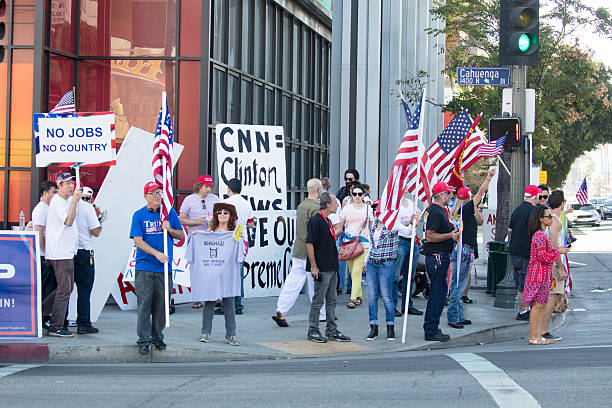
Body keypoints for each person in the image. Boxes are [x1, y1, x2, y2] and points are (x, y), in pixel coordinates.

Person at [130, 181, 184, 356]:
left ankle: (157, 337)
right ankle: (144, 340)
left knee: (161, 305)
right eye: (153, 193)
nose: (157, 196)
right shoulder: (139, 215)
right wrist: (155, 253)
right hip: (145, 266)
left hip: (164, 268)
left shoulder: (169, 214)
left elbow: (180, 234)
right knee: (145, 304)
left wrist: (169, 229)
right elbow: (137, 240)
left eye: (159, 193)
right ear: (146, 196)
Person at [186, 202, 244, 346]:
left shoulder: (235, 232)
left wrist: (241, 239)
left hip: (228, 272)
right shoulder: (209, 232)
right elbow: (197, 245)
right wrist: (196, 235)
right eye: (219, 212)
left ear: (231, 216)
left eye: (225, 213)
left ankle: (231, 334)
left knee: (229, 303)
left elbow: (241, 253)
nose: (222, 215)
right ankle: (205, 332)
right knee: (209, 302)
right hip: (211, 272)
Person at [447, 168, 496, 329]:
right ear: (467, 198)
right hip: (463, 249)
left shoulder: (460, 211)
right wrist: (488, 178)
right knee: (457, 285)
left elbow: (480, 219)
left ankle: (459, 314)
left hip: (462, 249)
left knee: (458, 283)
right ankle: (453, 316)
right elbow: (480, 194)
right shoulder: (465, 209)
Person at [273, 178, 325, 327]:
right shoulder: (315, 208)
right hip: (311, 251)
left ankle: (281, 309)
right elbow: (317, 232)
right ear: (319, 190)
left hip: (299, 248)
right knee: (317, 283)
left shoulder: (302, 206)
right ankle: (322, 313)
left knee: (293, 281)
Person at [306, 192, 350, 343]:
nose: (337, 205)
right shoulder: (316, 221)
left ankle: (331, 329)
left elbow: (327, 240)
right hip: (322, 267)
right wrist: (313, 266)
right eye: (335, 203)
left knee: (332, 300)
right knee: (318, 300)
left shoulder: (328, 221)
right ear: (328, 205)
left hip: (331, 266)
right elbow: (309, 243)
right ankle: (313, 329)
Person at [523, 205, 570, 345]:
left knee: (541, 306)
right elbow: (543, 256)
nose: (551, 219)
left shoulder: (543, 235)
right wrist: (559, 251)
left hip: (544, 275)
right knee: (537, 307)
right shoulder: (539, 236)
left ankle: (538, 336)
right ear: (541, 219)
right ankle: (534, 337)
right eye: (548, 216)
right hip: (537, 276)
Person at [42, 172, 81, 337]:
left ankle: (41, 313)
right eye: (67, 184)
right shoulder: (58, 201)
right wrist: (75, 201)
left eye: (72, 183)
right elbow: (68, 221)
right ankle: (55, 325)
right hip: (60, 253)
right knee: (65, 289)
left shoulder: (63, 201)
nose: (71, 186)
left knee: (66, 288)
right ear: (59, 186)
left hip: (66, 251)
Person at [422, 181, 459, 342]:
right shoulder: (436, 212)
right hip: (437, 256)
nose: (450, 196)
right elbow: (429, 236)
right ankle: (431, 329)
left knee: (440, 292)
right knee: (437, 294)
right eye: (448, 193)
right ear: (440, 195)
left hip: (439, 255)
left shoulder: (437, 211)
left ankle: (432, 326)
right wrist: (450, 236)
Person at [179, 174, 220, 308]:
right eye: (206, 186)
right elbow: (181, 219)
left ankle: (214, 296)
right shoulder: (189, 200)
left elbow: (223, 215)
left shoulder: (215, 199)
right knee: (196, 269)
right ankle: (197, 298)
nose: (209, 189)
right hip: (195, 238)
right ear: (199, 186)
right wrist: (195, 222)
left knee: (213, 267)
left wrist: (214, 223)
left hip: (212, 237)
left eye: (210, 187)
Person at [216, 178, 254, 315]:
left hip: (228, 240)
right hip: (242, 241)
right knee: (238, 273)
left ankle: (226, 306)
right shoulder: (247, 204)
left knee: (226, 274)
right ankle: (238, 304)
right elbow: (250, 224)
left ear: (228, 189)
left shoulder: (225, 203)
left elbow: (218, 222)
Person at [365, 200, 399, 341]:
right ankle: (373, 326)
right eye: (375, 209)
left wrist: (413, 220)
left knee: (386, 297)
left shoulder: (392, 225)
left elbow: (406, 228)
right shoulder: (373, 225)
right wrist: (366, 261)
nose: (376, 211)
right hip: (373, 262)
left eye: (378, 209)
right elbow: (372, 244)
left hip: (386, 263)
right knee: (372, 297)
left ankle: (390, 327)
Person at [338, 183, 373, 309]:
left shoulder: (368, 209)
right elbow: (341, 225)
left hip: (363, 243)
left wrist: (373, 244)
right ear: (351, 195)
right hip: (348, 244)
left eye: (360, 194)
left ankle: (352, 298)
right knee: (352, 272)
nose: (357, 196)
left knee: (357, 272)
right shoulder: (346, 208)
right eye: (355, 194)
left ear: (364, 195)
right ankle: (359, 296)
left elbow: (371, 228)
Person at [540, 190, 569, 342]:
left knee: (551, 296)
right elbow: (553, 244)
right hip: (552, 264)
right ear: (562, 203)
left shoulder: (550, 217)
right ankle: (543, 331)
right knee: (553, 296)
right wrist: (560, 267)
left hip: (548, 261)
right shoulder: (555, 221)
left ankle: (541, 330)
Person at [509, 185, 541, 321]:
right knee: (525, 283)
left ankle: (524, 309)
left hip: (515, 250)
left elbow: (510, 229)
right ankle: (523, 311)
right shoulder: (533, 212)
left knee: (520, 282)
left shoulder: (517, 210)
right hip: (526, 251)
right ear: (535, 196)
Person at [73, 186, 102, 334]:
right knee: (84, 289)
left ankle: (60, 321)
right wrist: (99, 219)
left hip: (68, 251)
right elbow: (95, 231)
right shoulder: (87, 208)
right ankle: (83, 322)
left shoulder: (66, 205)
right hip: (84, 251)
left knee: (64, 290)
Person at [393, 193, 423, 317]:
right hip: (399, 240)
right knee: (395, 276)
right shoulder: (394, 204)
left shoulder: (411, 203)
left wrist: (416, 221)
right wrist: (409, 221)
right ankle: (392, 306)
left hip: (412, 240)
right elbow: (394, 223)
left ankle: (407, 305)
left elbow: (417, 219)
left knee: (410, 275)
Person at [31, 181, 58, 303]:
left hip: (50, 253)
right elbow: (39, 232)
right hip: (44, 256)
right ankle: (44, 317)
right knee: (46, 286)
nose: (56, 195)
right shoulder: (41, 209)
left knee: (51, 286)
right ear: (45, 193)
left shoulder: (49, 208)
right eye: (54, 192)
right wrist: (45, 252)